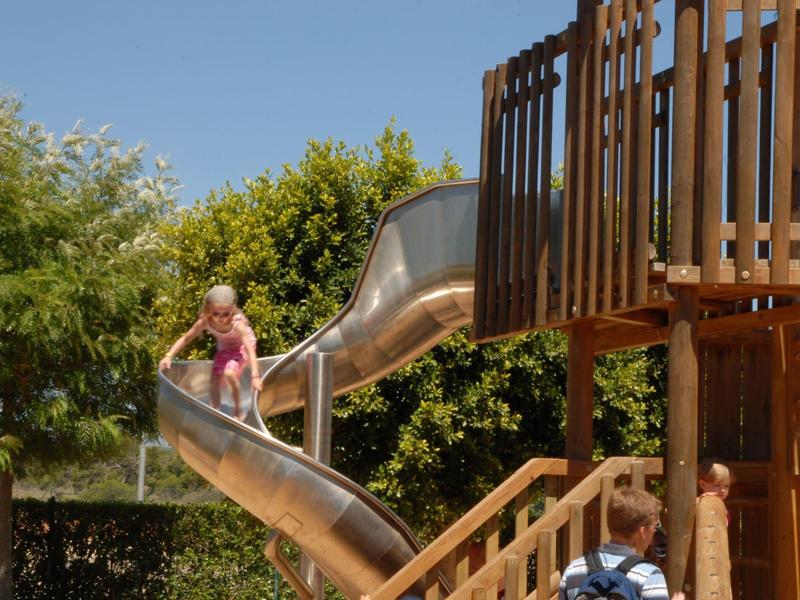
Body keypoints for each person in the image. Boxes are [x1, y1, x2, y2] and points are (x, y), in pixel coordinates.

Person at [558, 486, 685, 600]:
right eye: (655, 526)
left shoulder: (573, 570)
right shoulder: (649, 574)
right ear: (642, 531)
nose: (655, 531)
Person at [159, 285, 262, 420]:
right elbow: (186, 338)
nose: (221, 318)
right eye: (216, 314)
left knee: (229, 373)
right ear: (208, 310)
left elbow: (248, 348)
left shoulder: (237, 324)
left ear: (232, 310)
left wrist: (255, 377)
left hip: (242, 346)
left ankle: (237, 409)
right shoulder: (205, 322)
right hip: (225, 347)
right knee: (214, 378)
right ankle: (215, 408)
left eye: (226, 314)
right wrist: (169, 355)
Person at [697, 458, 733, 525]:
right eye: (717, 485)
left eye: (726, 486)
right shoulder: (698, 503)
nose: (723, 490)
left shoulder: (723, 508)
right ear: (702, 484)